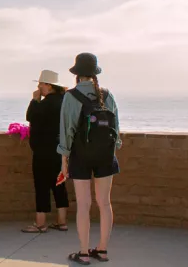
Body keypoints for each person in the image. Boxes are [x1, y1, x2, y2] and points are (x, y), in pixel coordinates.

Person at [58, 53, 121, 265]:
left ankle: (83, 252)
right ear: (95, 74)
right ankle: (102, 250)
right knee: (104, 203)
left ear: (77, 74)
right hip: (105, 155)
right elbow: (116, 129)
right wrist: (111, 150)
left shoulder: (71, 96)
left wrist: (64, 160)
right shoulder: (107, 95)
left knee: (83, 204)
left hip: (80, 155)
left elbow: (67, 130)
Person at [22, 70, 69, 233]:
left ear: (48, 86)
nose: (38, 87)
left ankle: (40, 223)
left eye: (41, 84)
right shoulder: (63, 101)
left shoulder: (46, 103)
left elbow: (30, 116)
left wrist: (35, 99)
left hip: (43, 151)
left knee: (41, 185)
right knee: (59, 185)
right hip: (59, 150)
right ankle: (62, 221)